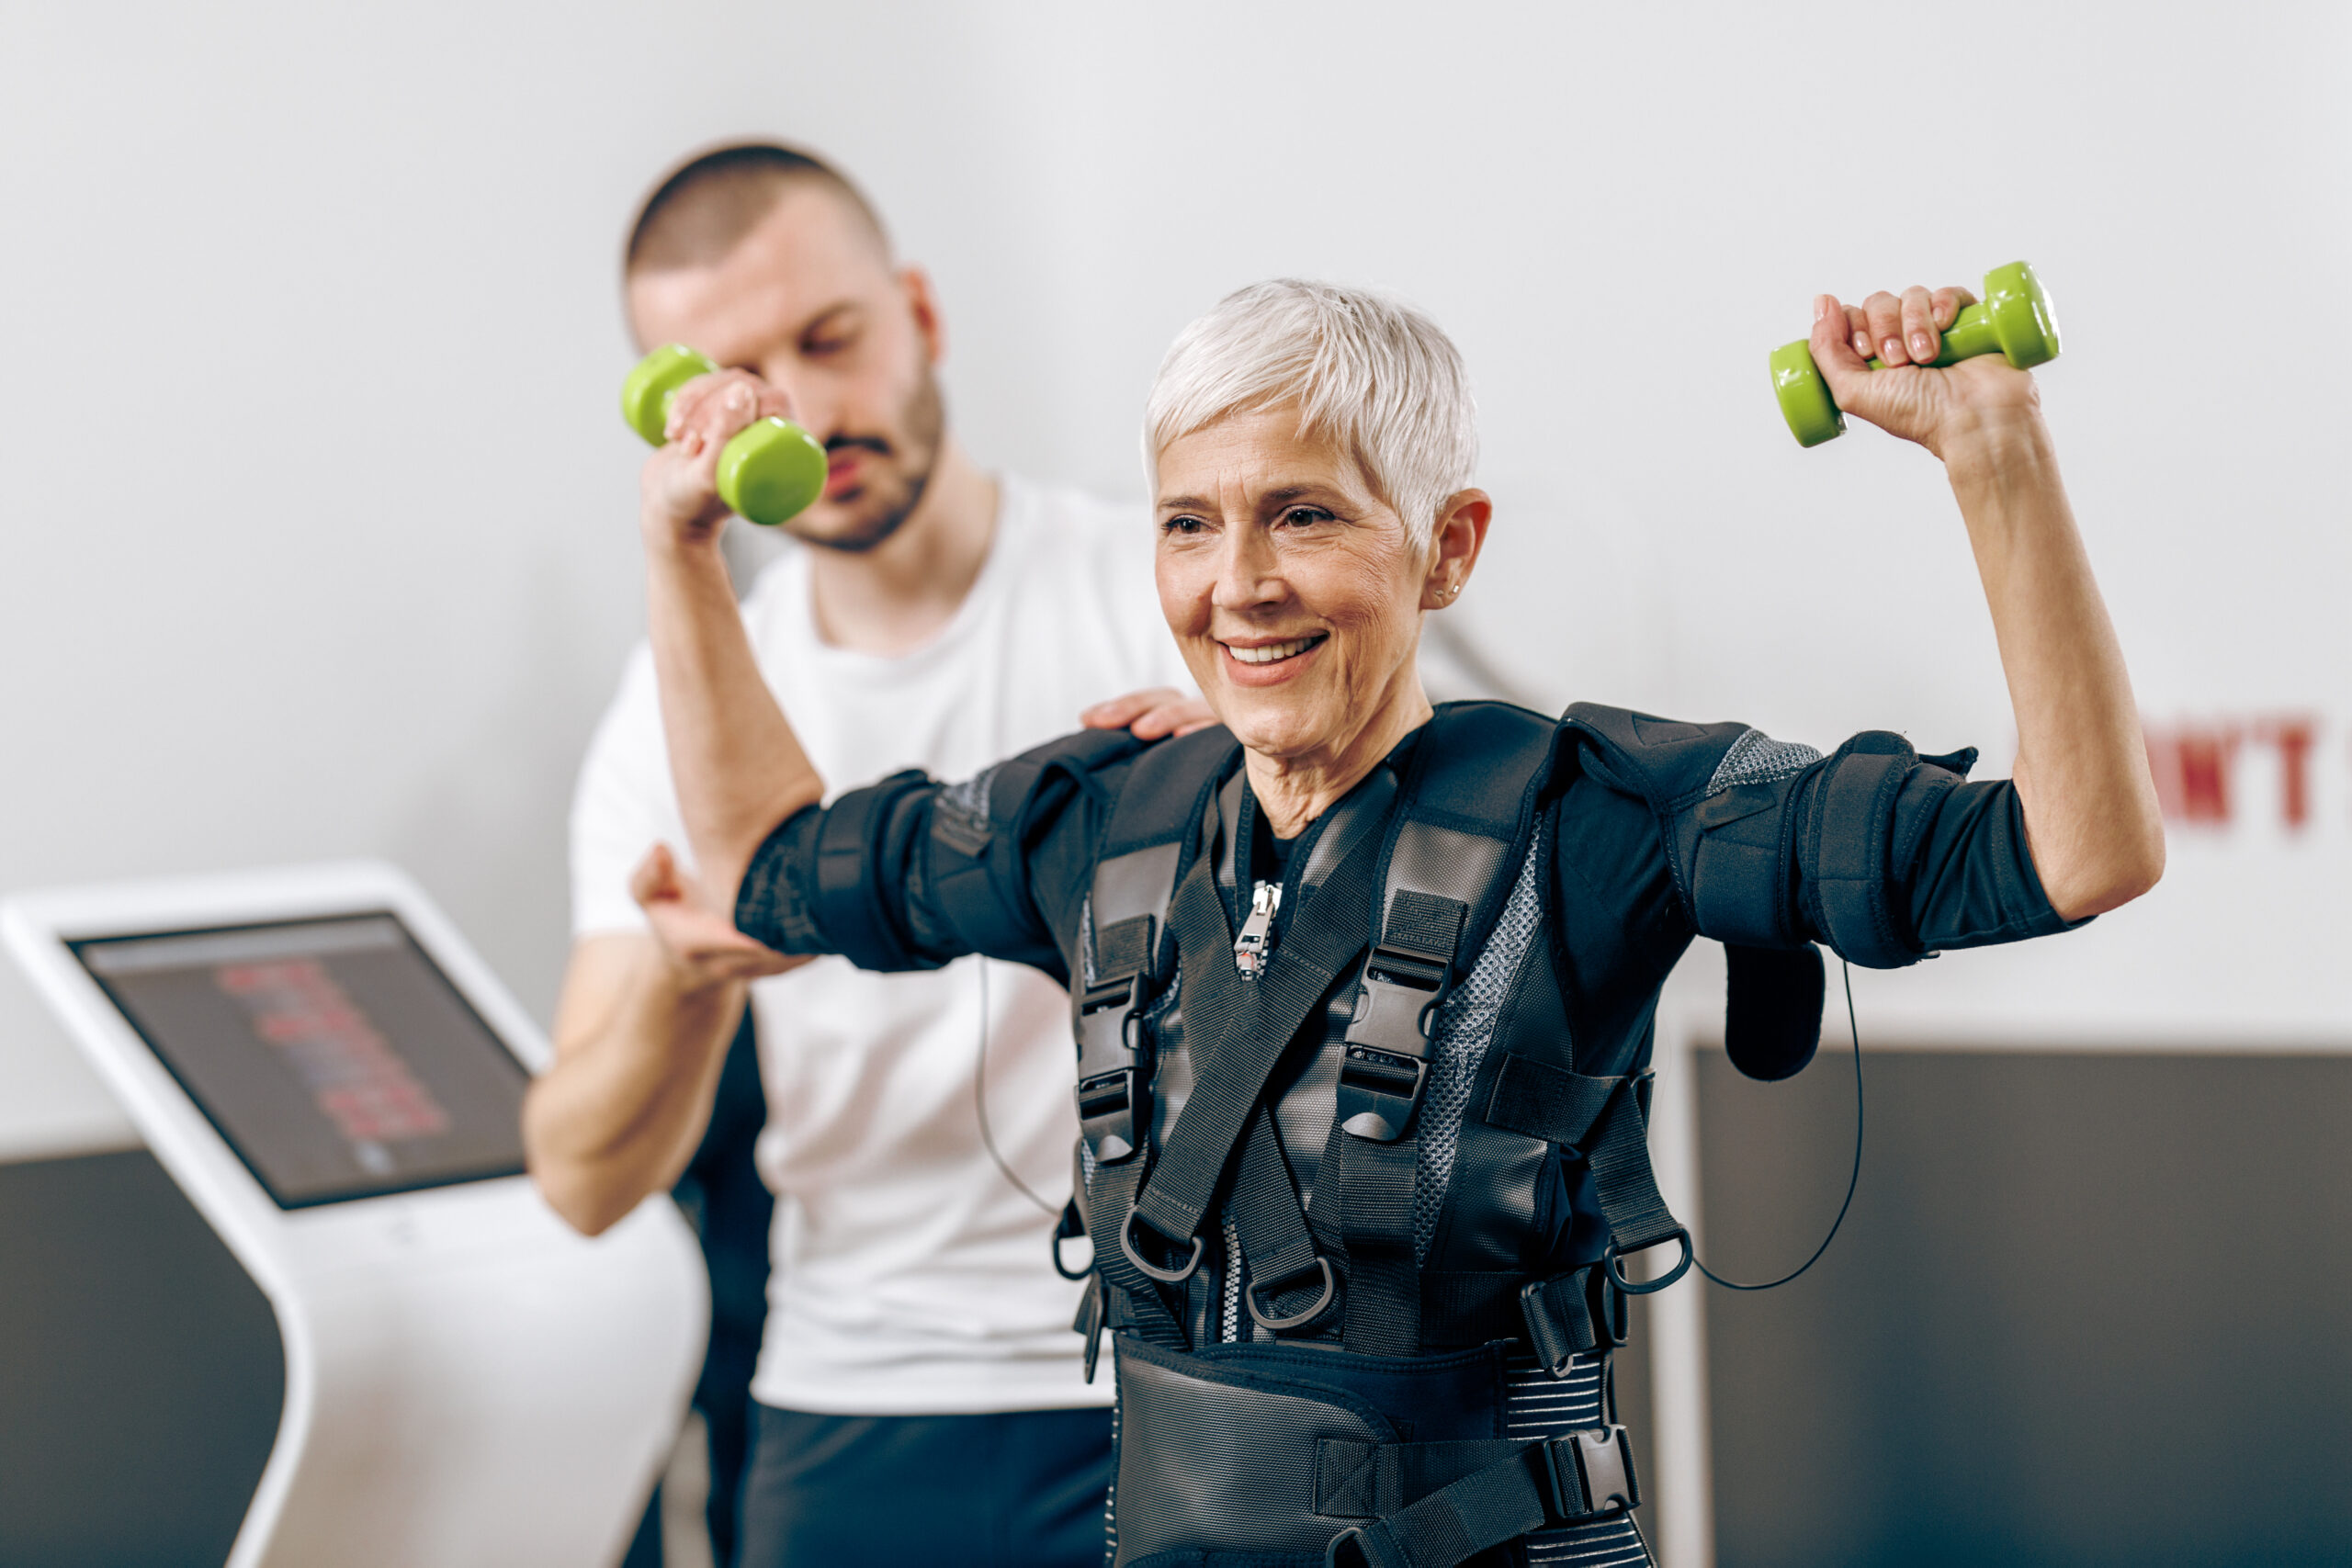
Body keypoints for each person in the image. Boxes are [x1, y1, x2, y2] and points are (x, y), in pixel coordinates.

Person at [626, 276, 2164, 1567]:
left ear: (1448, 545)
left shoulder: (1603, 814)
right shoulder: (1103, 819)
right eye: (1188, 525)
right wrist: (684, 547)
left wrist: (1993, 449)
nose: (1238, 588)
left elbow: (2073, 853)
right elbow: (765, 861)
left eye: (1303, 517)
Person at [521, 142, 1206, 1568]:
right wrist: (686, 970)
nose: (809, 409)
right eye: (734, 379)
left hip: (1176, 1379)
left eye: (831, 339)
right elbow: (581, 1176)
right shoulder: (674, 717)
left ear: (922, 318)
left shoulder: (1167, 594)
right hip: (850, 1410)